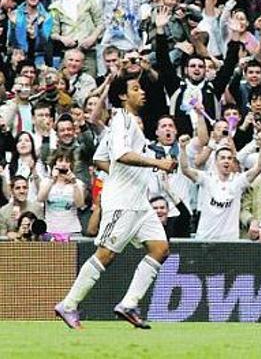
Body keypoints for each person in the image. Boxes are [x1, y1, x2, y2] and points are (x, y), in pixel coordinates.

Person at [54, 72, 178, 330]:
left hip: (139, 203)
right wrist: (157, 163)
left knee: (160, 249)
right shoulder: (120, 119)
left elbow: (101, 158)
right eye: (135, 88)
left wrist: (128, 173)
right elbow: (120, 154)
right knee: (106, 254)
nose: (141, 92)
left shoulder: (128, 125)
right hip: (121, 202)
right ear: (123, 96)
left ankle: (129, 303)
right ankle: (68, 304)